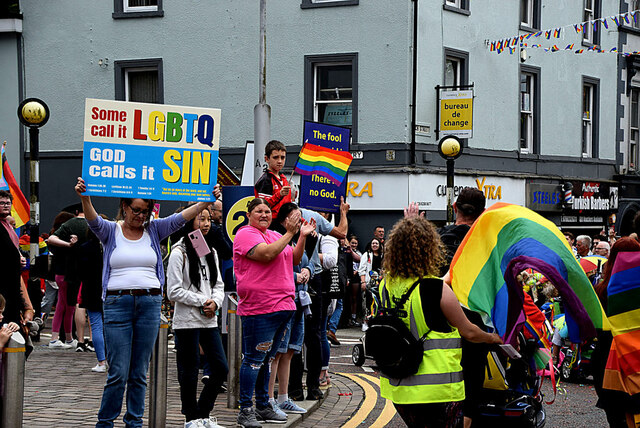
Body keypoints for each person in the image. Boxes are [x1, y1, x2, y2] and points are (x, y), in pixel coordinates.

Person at [74, 177, 215, 428]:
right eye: (136, 210)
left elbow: (181, 218)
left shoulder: (154, 229)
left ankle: (134, 423)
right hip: (118, 303)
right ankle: (105, 423)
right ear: (124, 207)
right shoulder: (111, 230)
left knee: (139, 372)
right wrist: (85, 197)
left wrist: (206, 200)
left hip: (149, 304)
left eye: (145, 211)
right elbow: (93, 220)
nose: (140, 216)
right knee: (118, 372)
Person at [379, 216, 502, 428]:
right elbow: (469, 332)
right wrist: (493, 337)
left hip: (399, 387)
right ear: (430, 249)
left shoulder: (385, 284)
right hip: (437, 390)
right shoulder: (437, 289)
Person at [233, 197, 314, 428]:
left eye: (268, 211)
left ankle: (263, 405)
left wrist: (302, 236)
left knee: (268, 359)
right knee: (254, 360)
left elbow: (294, 259)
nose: (264, 215)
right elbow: (266, 254)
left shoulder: (276, 235)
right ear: (249, 215)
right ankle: (246, 409)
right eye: (259, 211)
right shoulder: (245, 234)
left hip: (283, 307)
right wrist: (290, 233)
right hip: (259, 308)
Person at [167, 205, 227, 428]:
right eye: (201, 219)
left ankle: (202, 414)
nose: (206, 223)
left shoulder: (211, 251)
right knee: (189, 372)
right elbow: (173, 291)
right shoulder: (179, 252)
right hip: (186, 322)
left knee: (221, 368)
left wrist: (216, 302)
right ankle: (191, 419)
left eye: (209, 219)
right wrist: (202, 300)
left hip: (209, 319)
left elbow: (218, 284)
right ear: (189, 222)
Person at [267, 202, 314, 417]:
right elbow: (278, 264)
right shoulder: (276, 237)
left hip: (299, 300)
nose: (299, 221)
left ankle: (284, 398)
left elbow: (308, 261)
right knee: (276, 352)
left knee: (290, 351)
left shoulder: (299, 236)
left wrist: (306, 271)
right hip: (282, 300)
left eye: (300, 217)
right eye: (295, 217)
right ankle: (268, 399)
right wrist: (296, 275)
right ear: (284, 220)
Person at [593, 237, 640, 428]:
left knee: (616, 419)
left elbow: (594, 328)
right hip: (636, 359)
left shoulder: (601, 290)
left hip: (607, 362)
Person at [47, 208, 91, 351]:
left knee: (64, 305)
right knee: (69, 306)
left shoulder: (58, 239)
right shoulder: (69, 241)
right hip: (68, 275)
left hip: (60, 275)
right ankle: (60, 338)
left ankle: (66, 337)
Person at [0, 190, 35, 328]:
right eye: (2, 203)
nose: (6, 205)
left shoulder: (7, 225)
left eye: (8, 203)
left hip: (12, 283)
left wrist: (18, 257)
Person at [254, 140, 291, 220]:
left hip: (285, 222)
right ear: (266, 159)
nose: (280, 161)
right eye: (275, 157)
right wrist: (279, 195)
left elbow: (289, 207)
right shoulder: (265, 180)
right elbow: (262, 207)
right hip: (271, 224)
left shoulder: (284, 179)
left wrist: (301, 220)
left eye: (282, 157)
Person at [358, 237, 383, 331]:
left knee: (378, 304)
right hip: (369, 283)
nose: (375, 245)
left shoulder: (383, 255)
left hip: (380, 284)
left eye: (376, 243)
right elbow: (362, 270)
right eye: (373, 243)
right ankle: (365, 322)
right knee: (367, 303)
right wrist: (363, 282)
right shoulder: (366, 255)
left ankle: (376, 322)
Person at [345, 235, 362, 326]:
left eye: (355, 243)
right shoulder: (345, 252)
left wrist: (356, 271)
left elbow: (362, 263)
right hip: (347, 276)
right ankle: (346, 318)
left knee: (354, 298)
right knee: (347, 298)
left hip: (355, 277)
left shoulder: (359, 253)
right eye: (352, 243)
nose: (354, 245)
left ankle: (354, 317)